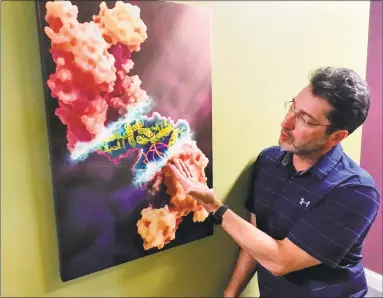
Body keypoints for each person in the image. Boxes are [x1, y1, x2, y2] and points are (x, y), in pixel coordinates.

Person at [170, 67, 380, 298]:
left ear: (337, 136)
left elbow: (280, 261)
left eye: (305, 120)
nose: (286, 123)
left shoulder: (355, 191)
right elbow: (253, 238)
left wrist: (214, 207)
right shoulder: (269, 160)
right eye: (292, 107)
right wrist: (230, 294)